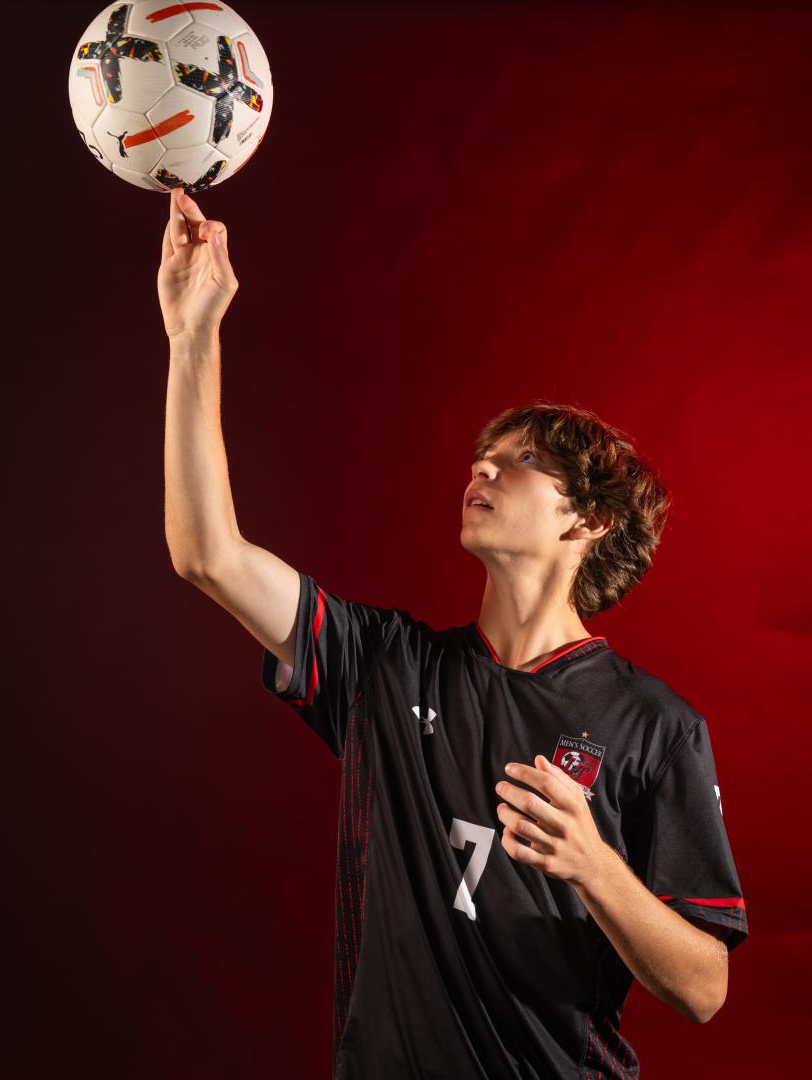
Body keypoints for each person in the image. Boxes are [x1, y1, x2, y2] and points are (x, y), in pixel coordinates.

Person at [158, 188, 748, 1079]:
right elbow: (207, 552)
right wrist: (192, 332)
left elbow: (704, 988)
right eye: (484, 452)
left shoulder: (655, 726)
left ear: (586, 521)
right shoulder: (382, 667)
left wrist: (595, 866)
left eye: (521, 461)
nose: (482, 465)